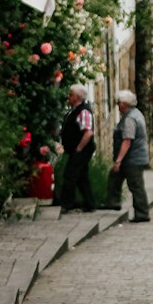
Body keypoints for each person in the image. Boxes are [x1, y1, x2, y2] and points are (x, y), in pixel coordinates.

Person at [106, 90, 151, 223]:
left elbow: (127, 140)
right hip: (134, 158)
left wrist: (118, 160)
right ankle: (113, 202)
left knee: (136, 186)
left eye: (119, 103)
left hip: (133, 159)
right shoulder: (135, 114)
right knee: (115, 178)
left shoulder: (130, 118)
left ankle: (142, 213)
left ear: (125, 104)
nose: (118, 106)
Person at [57, 84, 96, 212]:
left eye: (71, 94)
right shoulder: (74, 110)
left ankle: (67, 203)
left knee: (70, 174)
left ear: (77, 97)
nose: (69, 97)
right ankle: (89, 203)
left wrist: (79, 148)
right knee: (81, 176)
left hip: (81, 149)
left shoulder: (83, 111)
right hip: (76, 149)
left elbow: (88, 132)